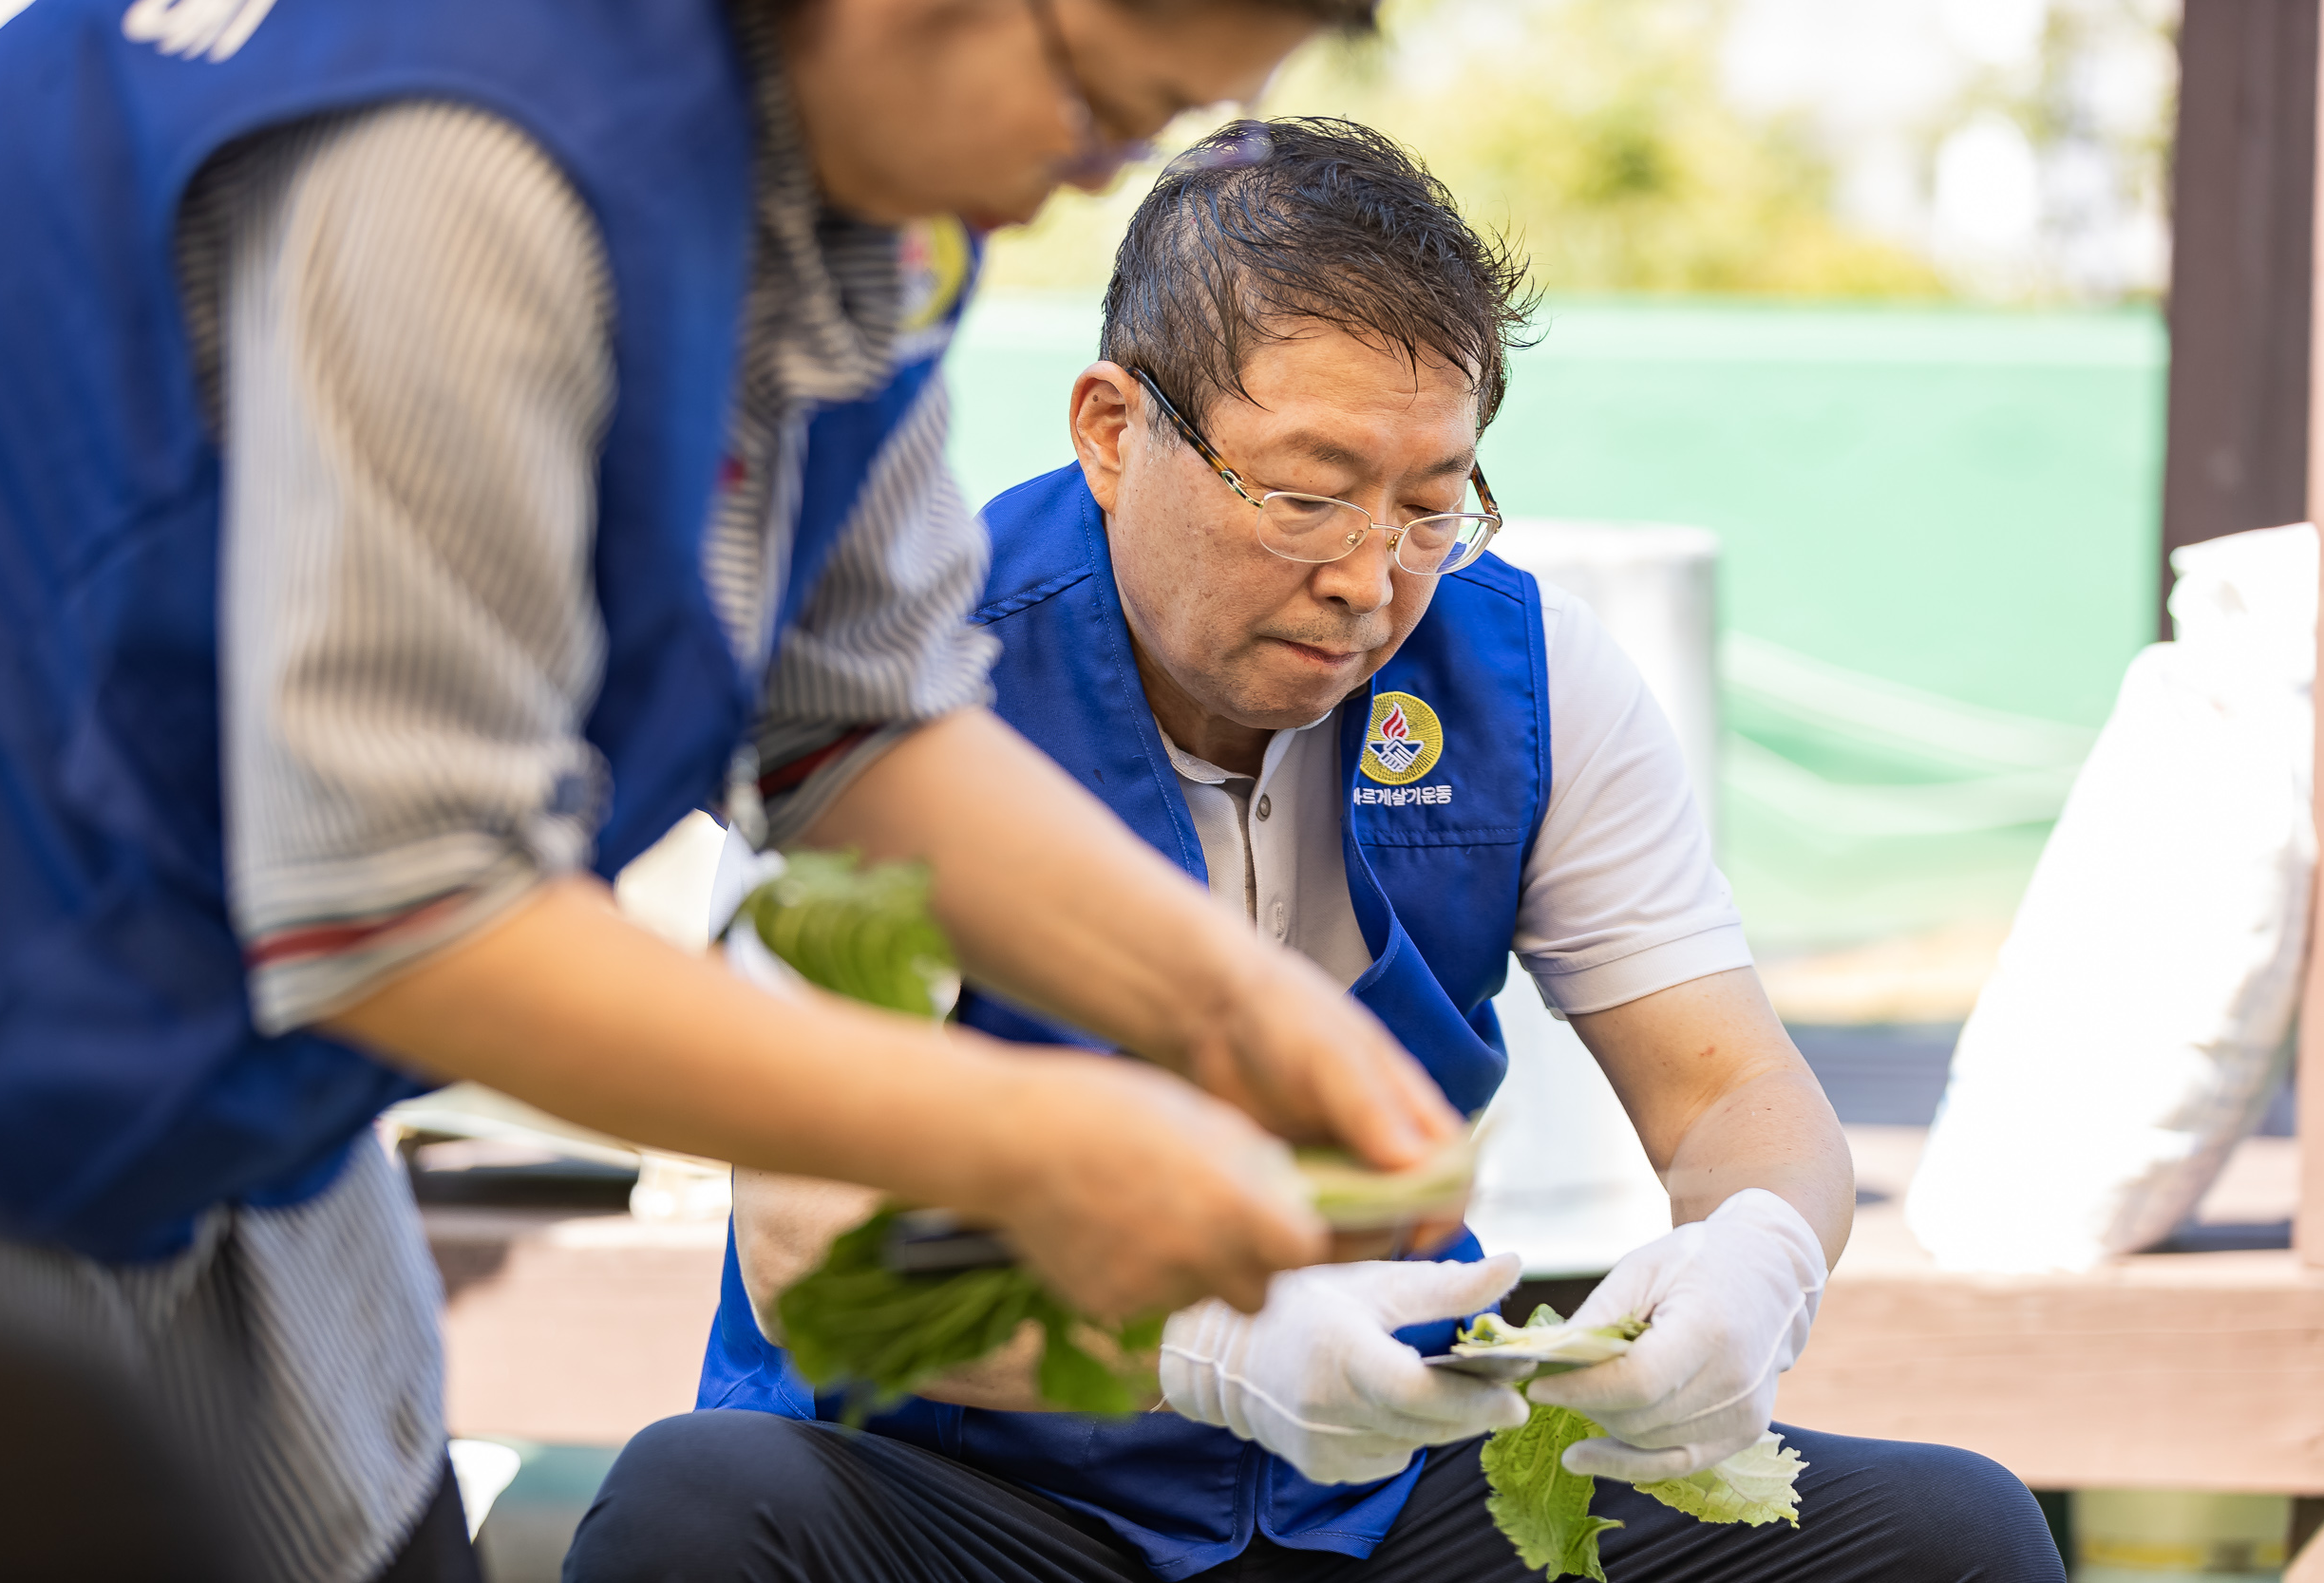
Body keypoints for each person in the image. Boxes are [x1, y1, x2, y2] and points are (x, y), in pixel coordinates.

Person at [0, 6, 1459, 1580]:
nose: (1093, 176)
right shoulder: (469, 155)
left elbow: (853, 721)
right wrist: (1025, 1139)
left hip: (210, 1133)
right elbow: (407, 909)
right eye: (1096, 101)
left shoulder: (854, 218)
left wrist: (1235, 1014)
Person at [563, 119, 2069, 1582]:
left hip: (1373, 1480)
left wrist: (1759, 1261)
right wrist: (1197, 1351)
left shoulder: (1534, 676)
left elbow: (1738, 1096)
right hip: (970, 1489)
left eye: (1430, 506)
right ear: (1111, 429)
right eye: (1305, 496)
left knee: (1954, 1534)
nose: (1368, 580)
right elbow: (814, 1247)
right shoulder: (894, 675)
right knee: (701, 1507)